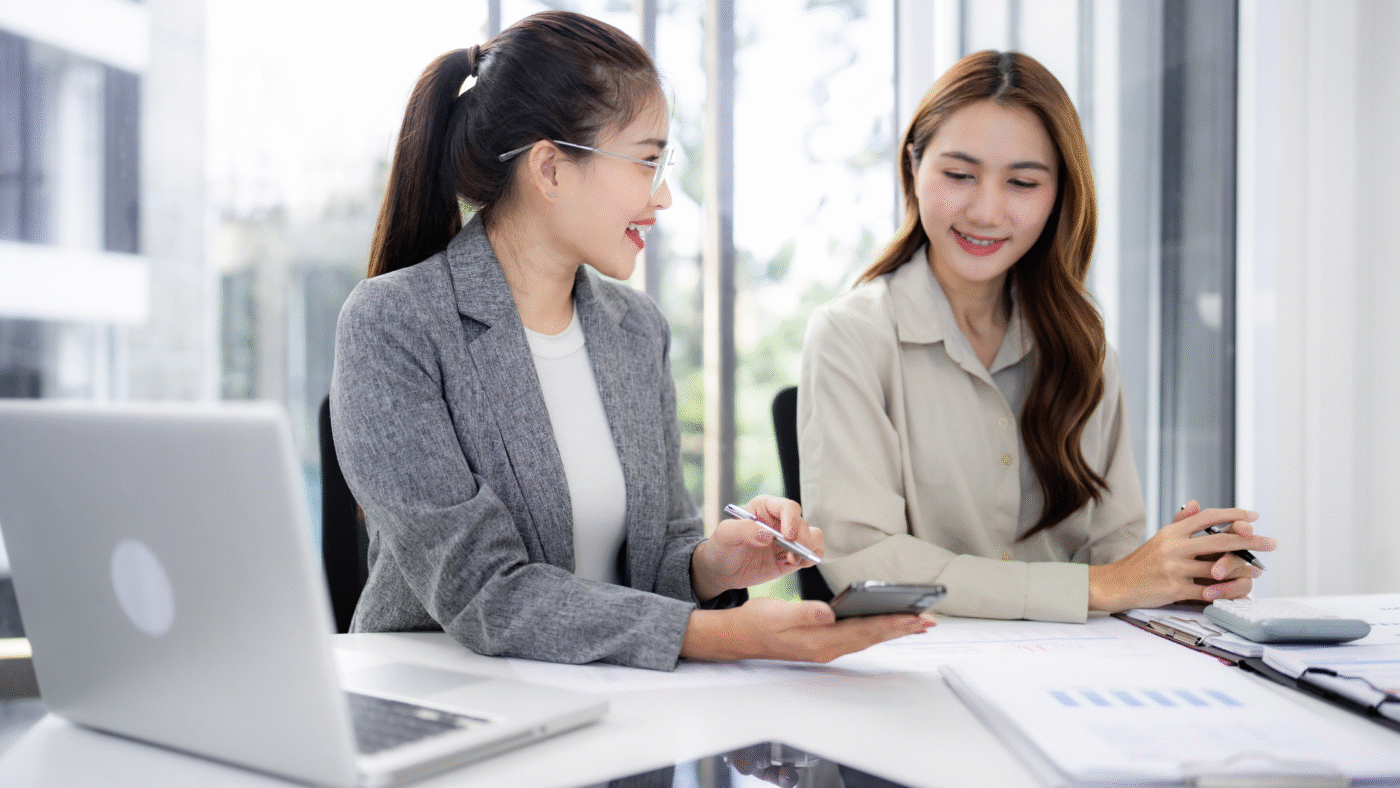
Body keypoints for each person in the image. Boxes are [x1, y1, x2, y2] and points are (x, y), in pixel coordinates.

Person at [330, 11, 930, 671]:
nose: (666, 196)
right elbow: (483, 593)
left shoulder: (634, 328)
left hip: (607, 702)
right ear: (551, 170)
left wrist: (713, 565)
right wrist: (730, 637)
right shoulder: (395, 322)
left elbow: (653, 562)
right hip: (443, 704)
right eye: (648, 161)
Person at [797, 50, 1275, 623]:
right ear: (913, 169)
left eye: (1022, 182)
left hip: (1070, 672)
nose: (986, 210)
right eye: (958, 175)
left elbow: (1112, 556)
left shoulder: (1083, 348)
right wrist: (1094, 587)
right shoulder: (850, 337)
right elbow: (865, 562)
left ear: (1058, 195)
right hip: (921, 674)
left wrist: (1179, 570)